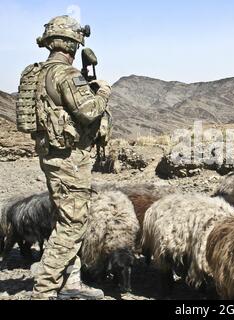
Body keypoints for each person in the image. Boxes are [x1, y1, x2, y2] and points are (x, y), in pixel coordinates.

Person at [21, 15, 112, 300]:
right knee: (72, 224)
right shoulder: (66, 74)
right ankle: (44, 290)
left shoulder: (36, 73)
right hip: (70, 161)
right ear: (73, 43)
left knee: (67, 219)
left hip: (52, 156)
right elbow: (89, 111)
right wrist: (104, 91)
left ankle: (71, 282)